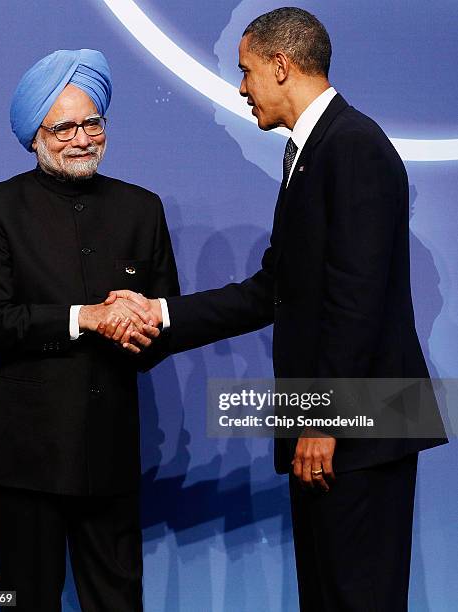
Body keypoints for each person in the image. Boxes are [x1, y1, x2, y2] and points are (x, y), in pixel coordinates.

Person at [102, 8, 447, 611]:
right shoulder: (311, 152)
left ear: (281, 66)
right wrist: (161, 314)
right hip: (340, 425)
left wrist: (321, 420)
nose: (240, 88)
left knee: (356, 598)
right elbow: (274, 290)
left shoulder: (354, 147)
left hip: (359, 427)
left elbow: (356, 299)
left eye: (247, 70)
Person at [0, 49, 179, 611]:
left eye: (92, 123)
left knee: (118, 602)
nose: (82, 138)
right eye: (64, 127)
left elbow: (165, 318)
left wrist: (140, 330)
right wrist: (85, 318)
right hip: (25, 455)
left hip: (109, 451)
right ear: (35, 134)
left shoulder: (142, 209)